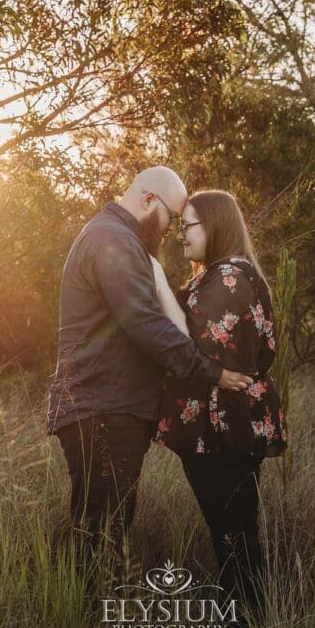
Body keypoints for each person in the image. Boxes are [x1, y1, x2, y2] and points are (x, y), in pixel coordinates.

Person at [47, 167, 255, 571]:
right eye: (171, 218)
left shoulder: (114, 237)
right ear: (148, 201)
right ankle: (89, 626)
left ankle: (88, 620)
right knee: (102, 532)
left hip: (106, 406)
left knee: (103, 526)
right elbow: (144, 322)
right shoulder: (114, 241)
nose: (170, 231)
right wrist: (210, 371)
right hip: (103, 408)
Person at [153, 189, 288, 622]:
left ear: (214, 225)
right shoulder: (216, 275)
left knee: (234, 535)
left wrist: (154, 279)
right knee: (231, 532)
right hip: (220, 427)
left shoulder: (229, 277)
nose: (181, 236)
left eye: (187, 225)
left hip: (226, 428)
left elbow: (186, 343)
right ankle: (246, 627)